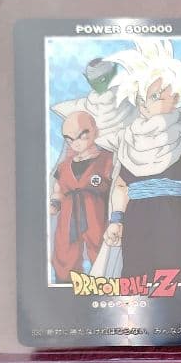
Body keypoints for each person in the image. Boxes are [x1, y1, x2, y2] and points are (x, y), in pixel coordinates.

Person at [101, 40, 181, 283]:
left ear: (176, 97)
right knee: (139, 289)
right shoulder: (128, 139)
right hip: (136, 225)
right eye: (150, 96)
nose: (152, 102)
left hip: (175, 221)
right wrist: (116, 221)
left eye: (162, 95)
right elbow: (121, 186)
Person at [49, 111, 113, 282]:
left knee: (101, 252)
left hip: (98, 215)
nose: (75, 143)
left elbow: (117, 189)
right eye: (69, 139)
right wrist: (54, 203)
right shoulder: (64, 166)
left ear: (95, 132)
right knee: (64, 253)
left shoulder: (108, 160)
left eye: (81, 136)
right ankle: (66, 287)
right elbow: (58, 189)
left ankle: (105, 285)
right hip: (68, 216)